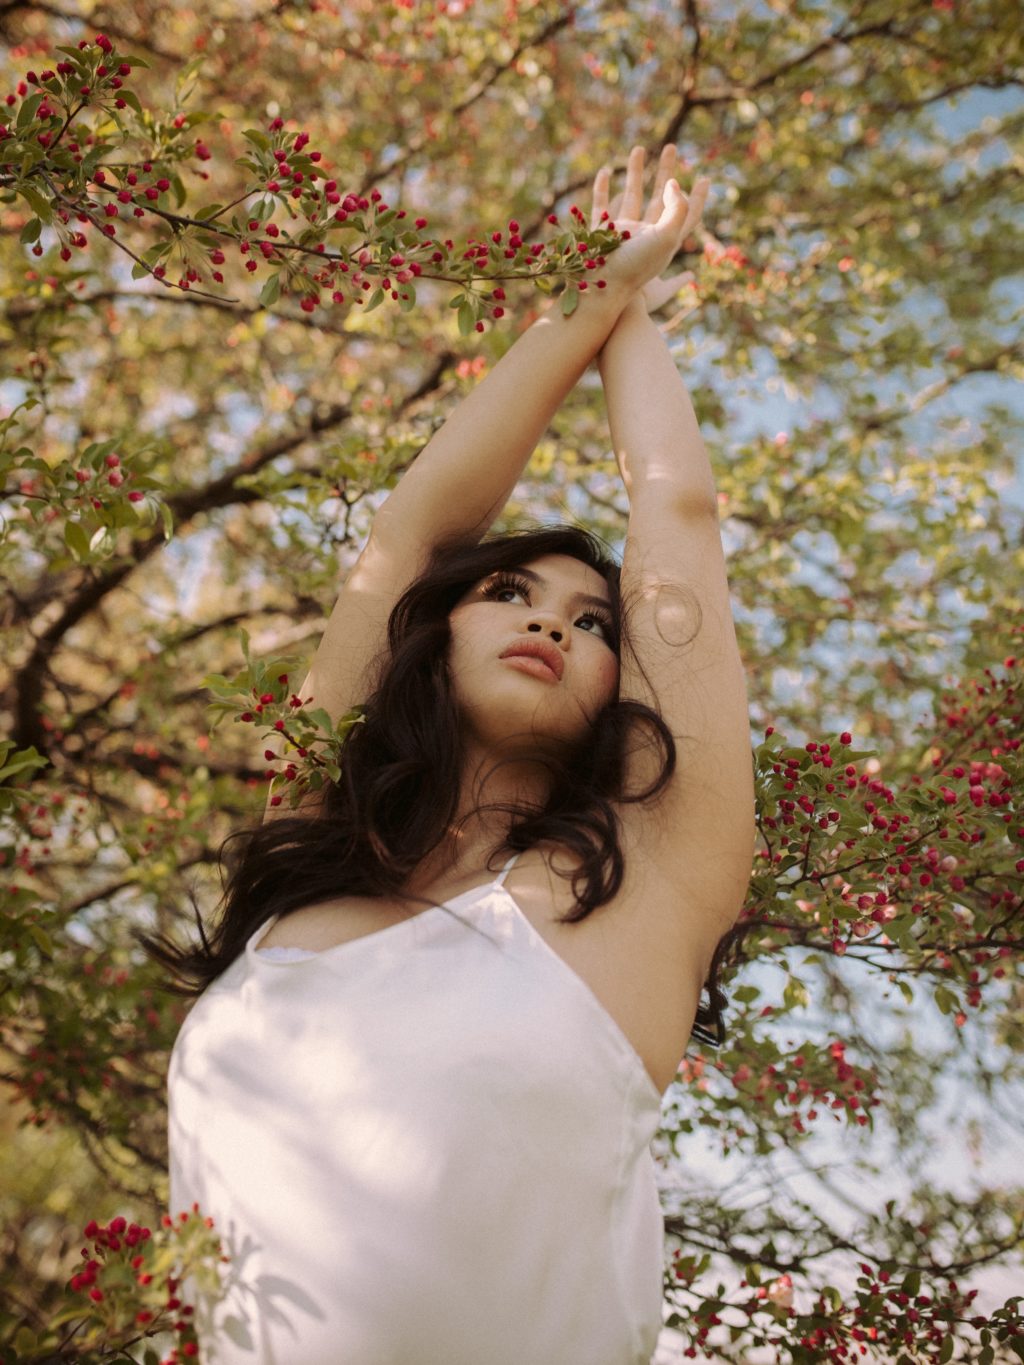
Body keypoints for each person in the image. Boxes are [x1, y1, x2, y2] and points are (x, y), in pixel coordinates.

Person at [144, 144, 757, 1365]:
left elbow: (675, 524)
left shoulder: (648, 892)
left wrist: (633, 300)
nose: (550, 623)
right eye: (512, 595)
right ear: (434, 633)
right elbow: (417, 528)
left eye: (594, 626)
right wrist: (592, 286)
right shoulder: (314, 843)